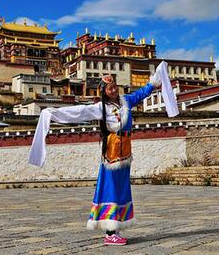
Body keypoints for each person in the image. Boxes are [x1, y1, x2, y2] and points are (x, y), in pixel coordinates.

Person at [29, 73, 162, 246]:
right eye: (109, 87)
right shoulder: (101, 108)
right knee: (111, 189)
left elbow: (141, 93)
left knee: (122, 189)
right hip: (112, 153)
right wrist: (52, 113)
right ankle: (110, 232)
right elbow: (79, 112)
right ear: (104, 91)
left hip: (125, 153)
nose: (113, 89)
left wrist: (153, 84)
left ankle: (116, 227)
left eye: (114, 85)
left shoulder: (126, 101)